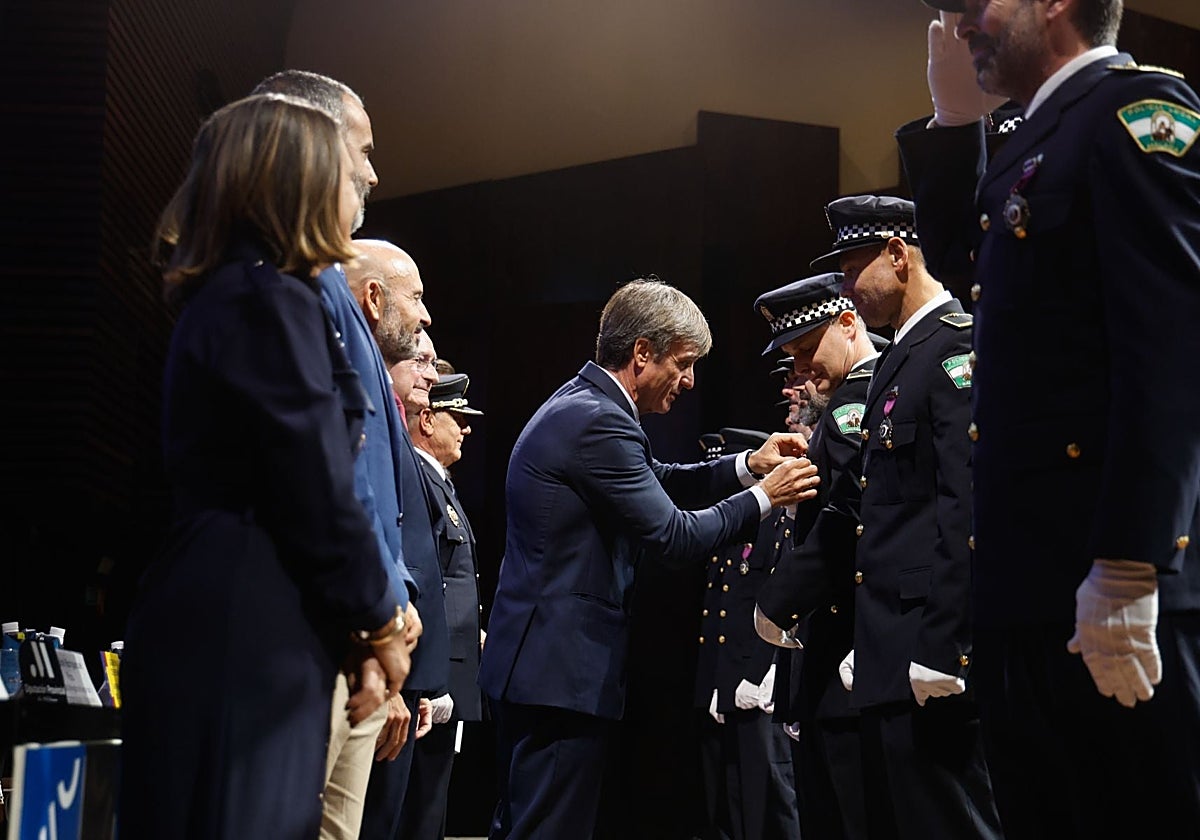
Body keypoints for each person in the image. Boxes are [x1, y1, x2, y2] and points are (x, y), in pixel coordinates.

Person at [896, 1, 1200, 835]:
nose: (962, 23)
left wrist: (1132, 560)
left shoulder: (1136, 113)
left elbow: (1173, 347)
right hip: (1028, 588)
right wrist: (953, 128)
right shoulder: (1031, 143)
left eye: (976, 5)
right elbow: (970, 272)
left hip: (1115, 581)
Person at [118, 93, 413, 839]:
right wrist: (379, 620)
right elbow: (313, 478)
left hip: (247, 607)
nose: (359, 184)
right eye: (341, 168)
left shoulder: (248, 293)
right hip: (245, 622)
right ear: (294, 180)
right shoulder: (265, 298)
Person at [478, 275, 821, 839]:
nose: (689, 381)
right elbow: (674, 536)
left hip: (540, 668)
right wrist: (766, 497)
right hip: (560, 675)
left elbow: (656, 480)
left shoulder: (584, 405)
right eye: (683, 364)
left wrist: (746, 465)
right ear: (642, 352)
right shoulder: (599, 419)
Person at [756, 195, 1002, 839]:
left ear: (897, 256)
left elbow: (965, 502)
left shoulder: (952, 347)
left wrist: (945, 642)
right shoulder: (902, 357)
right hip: (890, 652)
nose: (846, 289)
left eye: (851, 271)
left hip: (927, 647)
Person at [249, 70, 425, 840]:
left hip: (347, 623)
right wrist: (377, 614)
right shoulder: (294, 288)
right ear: (314, 147)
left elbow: (370, 491)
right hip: (302, 623)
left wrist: (387, 606)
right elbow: (325, 473)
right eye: (363, 150)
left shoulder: (320, 296)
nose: (373, 174)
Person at [752, 272, 880, 840]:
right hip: (831, 652)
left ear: (848, 324)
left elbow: (847, 515)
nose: (801, 371)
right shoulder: (845, 401)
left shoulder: (857, 399)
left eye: (807, 351)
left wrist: (775, 602)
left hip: (851, 647)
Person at [350, 288, 452, 840]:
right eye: (422, 361)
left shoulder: (394, 435)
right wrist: (392, 678)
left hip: (400, 667)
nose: (431, 375)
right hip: (379, 661)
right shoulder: (373, 425)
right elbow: (376, 542)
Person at [692, 426, 803, 840]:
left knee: (772, 802)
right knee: (730, 803)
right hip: (729, 681)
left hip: (759, 679)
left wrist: (767, 669)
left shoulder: (776, 523)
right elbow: (720, 611)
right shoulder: (734, 531)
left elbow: (779, 596)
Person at [401, 371, 487, 840]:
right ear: (428, 420)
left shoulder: (441, 484)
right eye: (458, 418)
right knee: (418, 812)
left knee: (431, 811)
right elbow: (424, 582)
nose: (467, 428)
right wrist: (430, 681)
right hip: (430, 679)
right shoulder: (418, 480)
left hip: (446, 673)